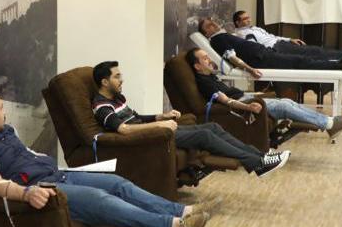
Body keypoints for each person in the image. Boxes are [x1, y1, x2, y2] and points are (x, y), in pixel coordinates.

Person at [0, 90, 209, 227]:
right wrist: (26, 193)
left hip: (58, 174)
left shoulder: (6, 132)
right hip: (42, 188)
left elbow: (27, 155)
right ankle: (172, 226)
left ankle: (181, 210)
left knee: (118, 184)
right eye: (1, 108)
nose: (5, 113)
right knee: (100, 198)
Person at [91, 61, 290, 178]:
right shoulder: (102, 106)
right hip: (148, 137)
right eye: (117, 77)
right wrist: (159, 124)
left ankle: (260, 157)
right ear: (105, 82)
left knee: (212, 127)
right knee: (204, 135)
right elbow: (124, 129)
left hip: (154, 129)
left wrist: (161, 116)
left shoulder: (117, 98)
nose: (122, 79)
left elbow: (135, 118)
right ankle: (257, 162)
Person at [187, 48, 342, 140]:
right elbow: (225, 100)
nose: (209, 60)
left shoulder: (210, 75)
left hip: (246, 97)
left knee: (287, 102)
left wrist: (253, 86)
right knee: (284, 106)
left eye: (208, 56)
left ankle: (329, 122)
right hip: (244, 104)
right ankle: (329, 124)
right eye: (205, 59)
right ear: (197, 66)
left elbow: (231, 60)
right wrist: (248, 106)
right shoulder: (204, 82)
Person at [198, 17, 342, 73]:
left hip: (264, 52)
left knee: (303, 57)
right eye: (209, 25)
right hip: (259, 59)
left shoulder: (223, 35)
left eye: (212, 22)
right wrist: (250, 69)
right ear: (206, 33)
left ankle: (340, 61)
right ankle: (338, 65)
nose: (213, 24)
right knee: (300, 61)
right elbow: (230, 56)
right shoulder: (217, 40)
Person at [232, 10, 342, 61]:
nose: (249, 20)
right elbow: (254, 47)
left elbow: (272, 36)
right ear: (237, 22)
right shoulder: (242, 34)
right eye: (245, 19)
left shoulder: (253, 28)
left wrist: (290, 39)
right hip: (276, 48)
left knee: (313, 50)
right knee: (314, 51)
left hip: (280, 43)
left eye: (249, 17)